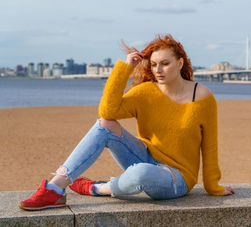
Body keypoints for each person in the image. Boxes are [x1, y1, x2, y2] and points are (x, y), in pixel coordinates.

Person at [19, 34, 234, 210]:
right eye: (155, 64)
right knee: (105, 124)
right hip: (144, 156)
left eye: (165, 64)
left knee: (141, 172)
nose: (158, 70)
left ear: (179, 63)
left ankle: (98, 188)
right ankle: (55, 188)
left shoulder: (203, 97)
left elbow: (210, 146)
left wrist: (213, 186)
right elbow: (108, 111)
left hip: (176, 178)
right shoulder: (145, 92)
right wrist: (125, 68)